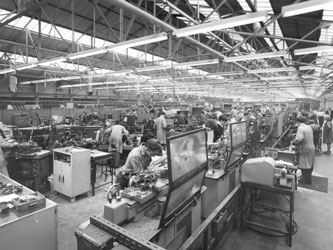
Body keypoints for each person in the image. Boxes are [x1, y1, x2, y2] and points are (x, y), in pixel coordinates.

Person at [292, 116, 315, 184]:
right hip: (311, 147)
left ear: (298, 122)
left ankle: (306, 181)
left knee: (304, 165)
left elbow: (299, 139)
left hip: (305, 148)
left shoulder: (300, 128)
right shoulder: (308, 126)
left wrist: (293, 142)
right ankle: (308, 179)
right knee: (309, 164)